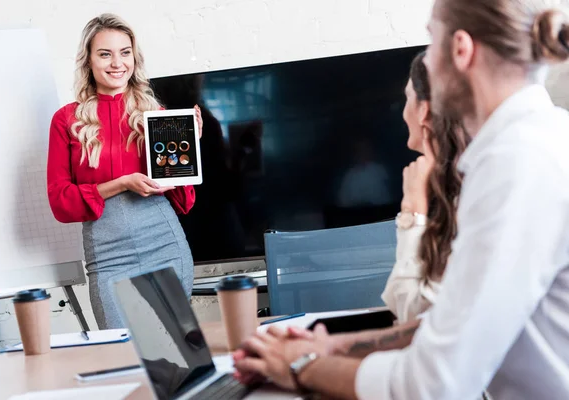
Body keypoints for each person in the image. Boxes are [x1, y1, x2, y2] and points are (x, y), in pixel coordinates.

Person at [234, 1, 569, 399]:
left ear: (461, 49)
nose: (425, 61)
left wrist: (302, 366)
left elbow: (432, 385)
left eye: (430, 41)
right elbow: (451, 320)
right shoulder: (539, 139)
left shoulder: (516, 165)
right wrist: (332, 347)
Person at [47, 13, 203, 330]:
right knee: (119, 351)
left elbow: (183, 199)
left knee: (173, 356)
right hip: (106, 253)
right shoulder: (66, 119)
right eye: (105, 54)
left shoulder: (156, 114)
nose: (117, 63)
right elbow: (61, 202)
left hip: (163, 243)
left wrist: (188, 150)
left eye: (125, 52)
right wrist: (119, 184)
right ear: (88, 61)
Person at [382, 50, 469, 323]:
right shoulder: (452, 183)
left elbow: (419, 317)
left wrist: (412, 210)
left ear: (423, 111)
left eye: (407, 98)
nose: (402, 111)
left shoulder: (468, 196)